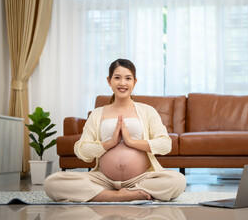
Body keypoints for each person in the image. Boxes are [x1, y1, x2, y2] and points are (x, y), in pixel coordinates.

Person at [44, 59, 186, 202]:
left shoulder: (147, 111)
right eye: (117, 78)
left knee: (178, 180)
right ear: (109, 81)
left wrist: (131, 142)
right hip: (103, 180)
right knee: (52, 182)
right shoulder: (97, 113)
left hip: (140, 179)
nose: (122, 83)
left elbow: (165, 144)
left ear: (135, 82)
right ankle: (119, 195)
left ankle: (105, 195)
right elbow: (81, 150)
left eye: (128, 78)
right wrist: (109, 144)